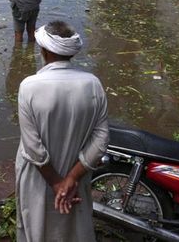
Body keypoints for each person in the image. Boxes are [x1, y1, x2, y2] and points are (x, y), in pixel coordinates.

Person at [15, 21, 109, 241]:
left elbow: (32, 147)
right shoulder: (92, 84)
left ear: (45, 51)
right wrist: (72, 178)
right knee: (74, 228)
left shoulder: (29, 86)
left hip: (38, 177)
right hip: (77, 176)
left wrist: (57, 183)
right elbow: (101, 140)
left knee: (36, 225)